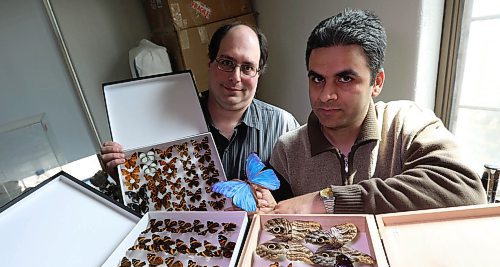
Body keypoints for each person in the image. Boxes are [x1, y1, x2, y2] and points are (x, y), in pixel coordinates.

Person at [258, 8, 486, 214]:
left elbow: (466, 189)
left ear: (377, 82)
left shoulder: (406, 124)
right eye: (317, 79)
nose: (326, 95)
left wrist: (330, 200)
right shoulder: (288, 149)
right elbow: (273, 213)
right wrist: (260, 203)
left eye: (345, 78)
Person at [100, 22, 299, 181]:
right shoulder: (167, 120)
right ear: (210, 64)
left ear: (258, 75)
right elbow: (151, 191)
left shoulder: (283, 125)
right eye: (227, 63)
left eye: (247, 67)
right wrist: (122, 174)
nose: (236, 77)